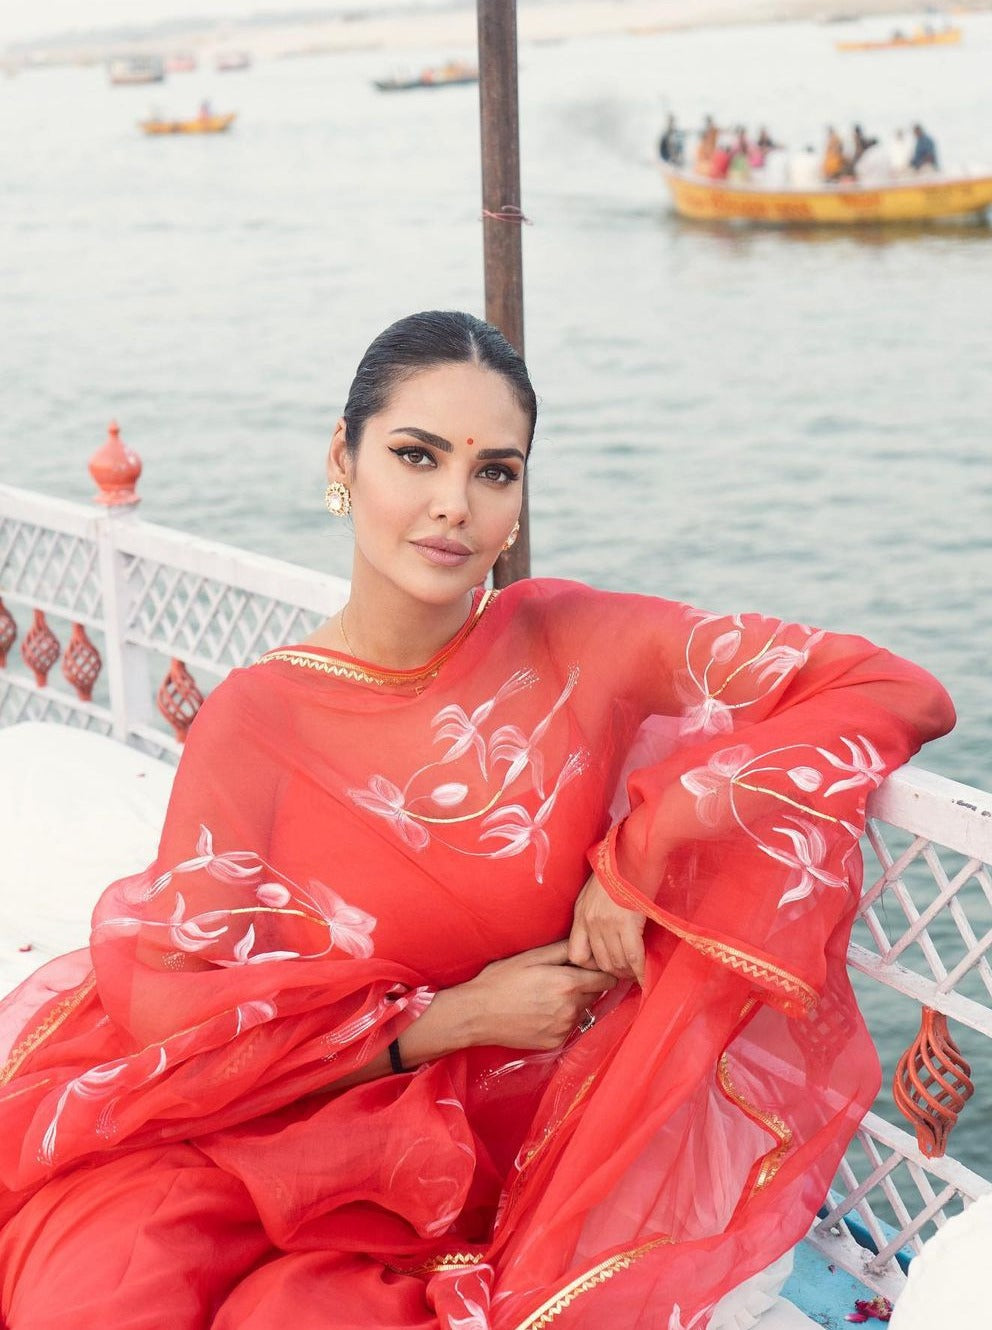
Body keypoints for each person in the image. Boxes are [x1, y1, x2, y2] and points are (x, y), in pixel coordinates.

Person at [0, 311, 955, 1329]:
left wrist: (642, 850)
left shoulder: (574, 643)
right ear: (343, 457)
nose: (452, 505)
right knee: (97, 1292)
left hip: (512, 1156)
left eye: (495, 471)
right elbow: (183, 1026)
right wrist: (446, 1021)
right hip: (295, 1125)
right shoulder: (257, 721)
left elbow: (888, 686)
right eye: (415, 456)